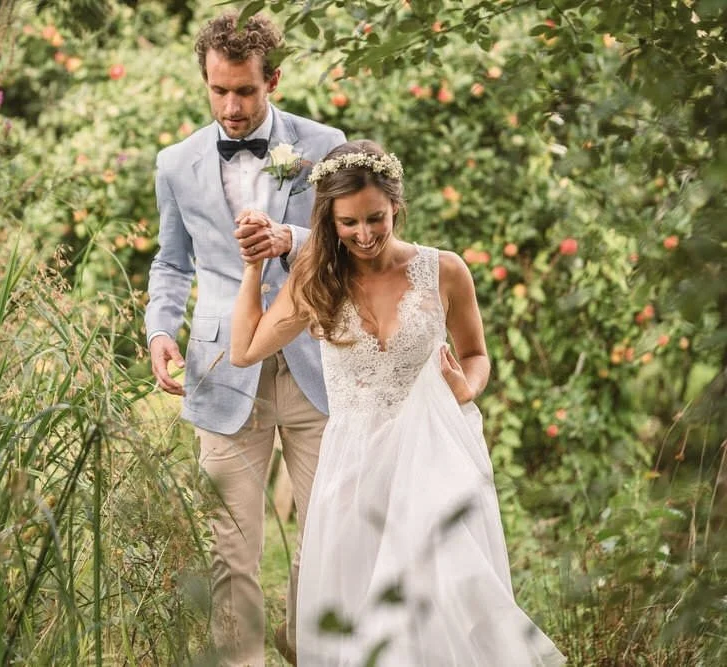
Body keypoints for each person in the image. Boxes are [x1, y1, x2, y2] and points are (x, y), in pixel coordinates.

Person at [230, 140, 566, 666]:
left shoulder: (444, 270)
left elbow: (477, 354)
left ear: (395, 206)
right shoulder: (319, 280)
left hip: (433, 453)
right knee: (361, 603)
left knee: (441, 594)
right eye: (347, 223)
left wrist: (467, 387)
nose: (363, 235)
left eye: (375, 218)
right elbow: (245, 349)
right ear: (328, 221)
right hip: (354, 463)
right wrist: (254, 267)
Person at [144, 10, 345, 666]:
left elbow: (354, 241)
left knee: (329, 536)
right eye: (219, 91)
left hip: (315, 359)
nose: (231, 106)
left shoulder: (324, 143)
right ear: (205, 83)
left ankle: (305, 642)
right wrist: (159, 330)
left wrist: (293, 239)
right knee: (231, 548)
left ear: (274, 81)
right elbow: (171, 263)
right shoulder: (175, 164)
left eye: (246, 91)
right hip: (220, 367)